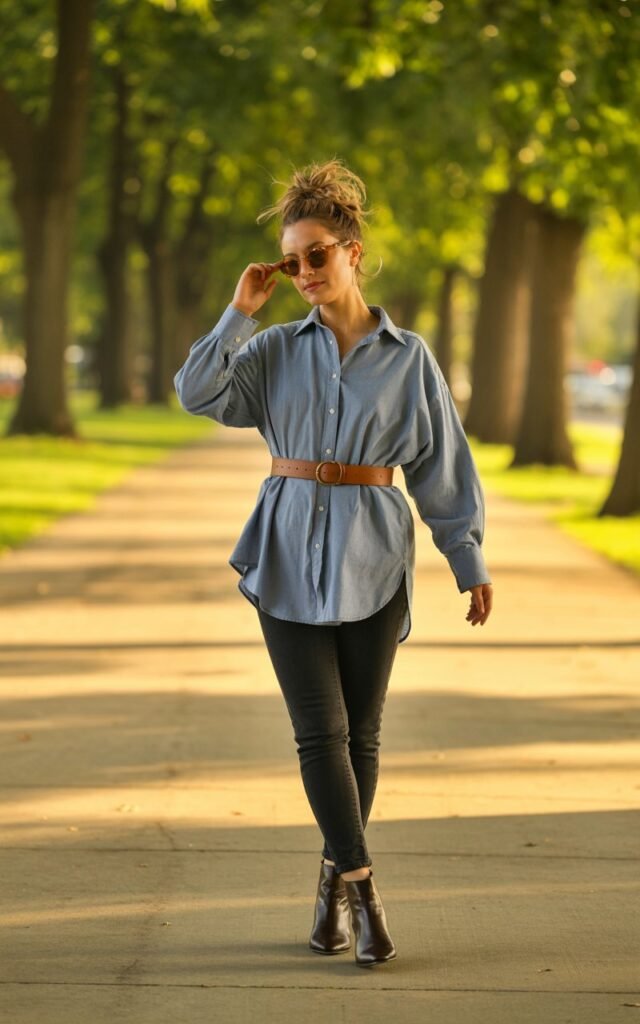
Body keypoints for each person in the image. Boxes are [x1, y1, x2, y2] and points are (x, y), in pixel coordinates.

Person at [174, 158, 494, 967]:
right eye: (293, 260)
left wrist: (467, 556)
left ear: (353, 251)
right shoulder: (274, 350)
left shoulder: (408, 356)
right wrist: (239, 312)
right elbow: (196, 394)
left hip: (376, 556)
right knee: (320, 734)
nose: (305, 272)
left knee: (363, 739)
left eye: (318, 254)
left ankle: (328, 891)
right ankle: (365, 893)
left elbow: (441, 463)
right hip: (283, 556)